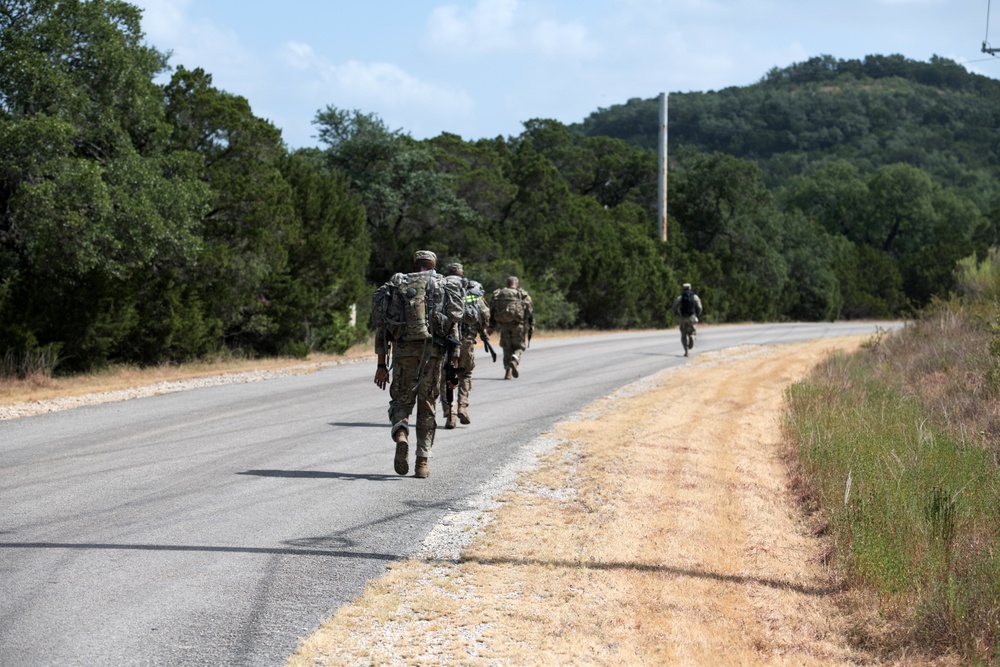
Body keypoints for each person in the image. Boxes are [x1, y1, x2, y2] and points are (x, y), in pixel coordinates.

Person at [373, 250, 463, 478]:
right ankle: (422, 462)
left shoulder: (398, 283)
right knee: (427, 406)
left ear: (414, 265)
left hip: (404, 354)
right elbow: (453, 325)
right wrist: (453, 363)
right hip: (433, 354)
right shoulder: (442, 284)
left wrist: (382, 365)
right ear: (433, 265)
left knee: (400, 402)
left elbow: (382, 328)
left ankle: (401, 433)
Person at [439, 263, 491, 429]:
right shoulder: (471, 289)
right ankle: (462, 406)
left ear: (449, 273)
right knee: (466, 374)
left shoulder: (440, 286)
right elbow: (484, 314)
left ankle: (450, 414)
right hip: (466, 341)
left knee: (445, 377)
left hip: (445, 341)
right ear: (462, 274)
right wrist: (483, 331)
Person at [488, 276, 534, 380]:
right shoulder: (522, 294)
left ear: (507, 284)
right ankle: (515, 360)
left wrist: (491, 326)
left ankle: (508, 372)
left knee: (506, 348)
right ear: (516, 284)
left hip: (504, 326)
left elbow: (492, 310)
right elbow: (530, 311)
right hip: (518, 325)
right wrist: (532, 325)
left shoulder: (499, 294)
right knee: (519, 347)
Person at [671, 282, 703, 357]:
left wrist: (676, 313)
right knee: (693, 332)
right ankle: (692, 337)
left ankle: (686, 351)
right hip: (692, 317)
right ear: (690, 288)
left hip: (683, 317)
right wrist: (698, 314)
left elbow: (674, 307)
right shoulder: (695, 297)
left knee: (683, 335)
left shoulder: (680, 297)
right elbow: (700, 307)